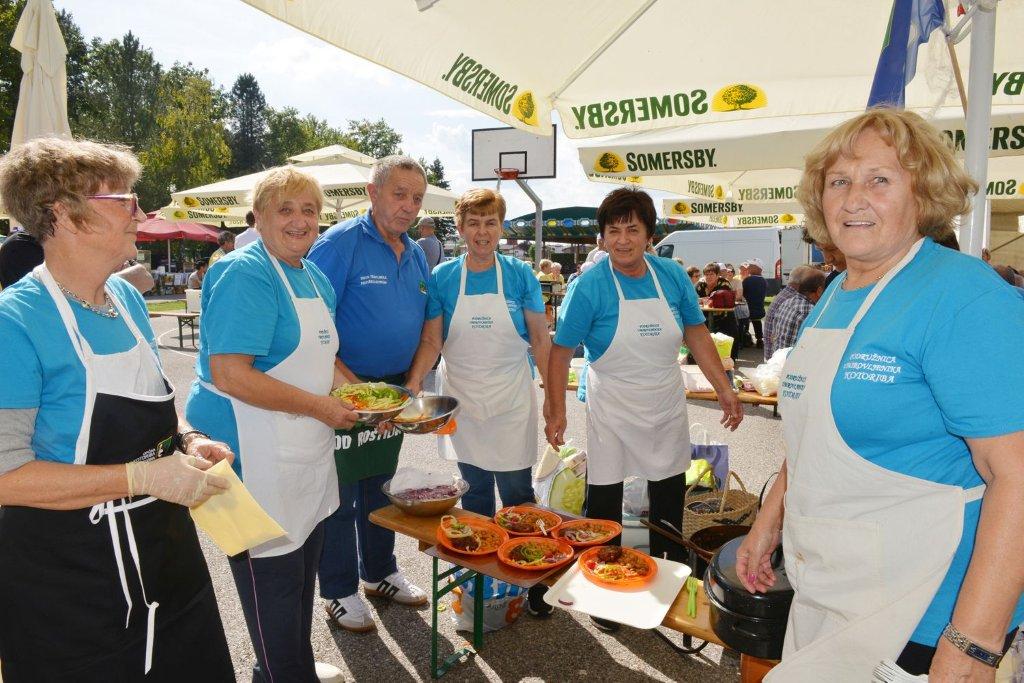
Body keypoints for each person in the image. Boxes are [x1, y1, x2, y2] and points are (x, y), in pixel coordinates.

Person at [737, 108, 1024, 680]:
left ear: (924, 193)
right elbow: (817, 430)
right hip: (831, 583)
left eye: (880, 179)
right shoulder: (838, 291)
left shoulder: (962, 295)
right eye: (839, 181)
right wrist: (770, 517)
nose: (853, 198)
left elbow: (1017, 476)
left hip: (924, 608)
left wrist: (972, 645)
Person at [0, 137, 234, 681]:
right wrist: (143, 475)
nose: (142, 213)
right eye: (125, 200)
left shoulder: (126, 299)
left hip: (168, 562)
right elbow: (6, 477)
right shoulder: (15, 322)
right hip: (71, 588)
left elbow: (151, 401)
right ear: (64, 214)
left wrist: (189, 439)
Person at [185, 167, 354, 681]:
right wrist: (325, 407)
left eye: (309, 210)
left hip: (303, 450)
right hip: (250, 451)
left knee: (300, 574)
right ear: (257, 217)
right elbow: (230, 373)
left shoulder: (312, 273)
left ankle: (282, 667)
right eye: (285, 209)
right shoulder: (245, 273)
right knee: (272, 584)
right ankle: (286, 671)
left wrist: (371, 400)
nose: (300, 220)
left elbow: (329, 360)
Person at [545, 188, 743, 629]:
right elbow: (560, 352)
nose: (622, 239)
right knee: (605, 498)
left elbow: (695, 333)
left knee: (669, 492)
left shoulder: (671, 275)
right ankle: (603, 590)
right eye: (612, 230)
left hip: (664, 399)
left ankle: (668, 582)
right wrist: (553, 409)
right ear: (602, 238)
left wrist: (724, 388)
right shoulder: (590, 286)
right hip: (612, 402)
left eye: (632, 229)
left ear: (649, 234)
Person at [307, 155, 430, 633]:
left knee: (379, 487)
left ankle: (379, 573)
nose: (408, 206)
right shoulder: (339, 245)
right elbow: (312, 324)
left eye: (416, 198)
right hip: (342, 390)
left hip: (391, 394)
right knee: (339, 496)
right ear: (372, 192)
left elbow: (422, 321)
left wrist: (407, 387)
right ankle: (337, 590)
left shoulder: (415, 250)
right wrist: (357, 393)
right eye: (398, 194)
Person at [406, 188, 549, 517]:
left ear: (501, 228)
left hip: (511, 399)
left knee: (517, 496)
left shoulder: (519, 274)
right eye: (473, 223)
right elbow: (432, 342)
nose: (482, 232)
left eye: (490, 223)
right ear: (460, 228)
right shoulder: (443, 277)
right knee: (474, 494)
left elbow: (541, 341)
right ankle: (476, 568)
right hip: (462, 398)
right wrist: (414, 382)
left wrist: (554, 400)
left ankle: (520, 563)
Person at [762, 266, 825, 361]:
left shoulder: (788, 302)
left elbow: (773, 336)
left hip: (776, 360)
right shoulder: (809, 310)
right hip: (791, 365)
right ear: (819, 291)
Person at [696, 261, 740, 359]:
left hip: (724, 315)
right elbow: (693, 298)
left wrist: (708, 300)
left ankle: (729, 359)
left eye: (711, 274)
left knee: (730, 332)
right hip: (705, 315)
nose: (709, 276)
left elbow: (727, 300)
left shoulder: (724, 283)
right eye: (706, 274)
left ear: (717, 275)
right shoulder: (700, 284)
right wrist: (701, 300)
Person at [741, 258, 768, 347]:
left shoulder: (748, 280)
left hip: (747, 309)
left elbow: (742, 293)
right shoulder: (763, 281)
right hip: (759, 309)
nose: (748, 267)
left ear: (758, 268)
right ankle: (759, 339)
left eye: (751, 266)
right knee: (757, 323)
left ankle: (746, 338)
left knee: (745, 322)